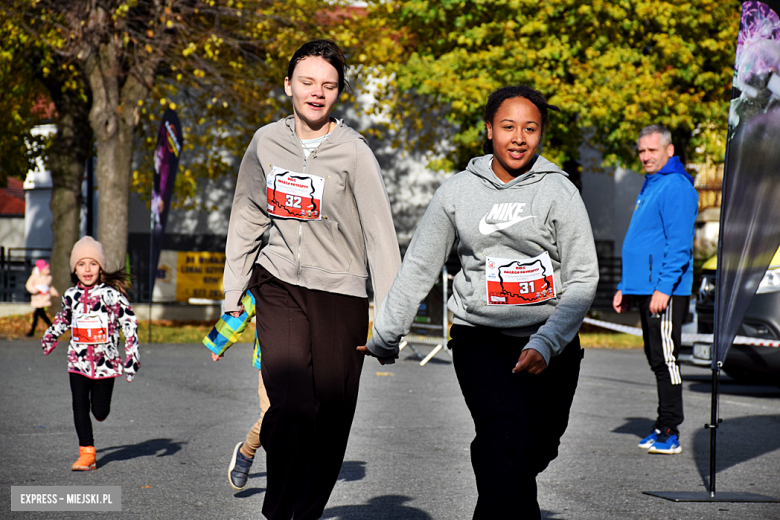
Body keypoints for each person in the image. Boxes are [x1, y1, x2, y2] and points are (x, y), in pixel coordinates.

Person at [361, 85, 599, 519]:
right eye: (508, 127)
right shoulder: (456, 192)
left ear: (541, 134)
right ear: (489, 130)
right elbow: (419, 265)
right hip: (481, 338)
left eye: (530, 128)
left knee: (536, 448)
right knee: (502, 438)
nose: (519, 137)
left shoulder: (559, 191)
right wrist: (387, 333)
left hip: (553, 342)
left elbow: (583, 277)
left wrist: (546, 342)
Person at [220, 39, 401, 519]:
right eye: (307, 82)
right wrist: (233, 288)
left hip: (339, 295)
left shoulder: (355, 153)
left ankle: (306, 510)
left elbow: (382, 238)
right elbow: (247, 216)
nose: (317, 93)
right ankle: (279, 512)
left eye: (328, 85)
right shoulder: (265, 143)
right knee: (292, 402)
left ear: (339, 93)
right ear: (288, 86)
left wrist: (389, 321)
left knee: (332, 417)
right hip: (277, 281)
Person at [612, 124, 698, 455]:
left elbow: (679, 245)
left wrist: (663, 288)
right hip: (645, 287)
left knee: (666, 359)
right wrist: (624, 287)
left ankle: (669, 429)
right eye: (642, 151)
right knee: (655, 357)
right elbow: (644, 242)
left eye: (652, 150)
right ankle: (662, 422)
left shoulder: (675, 186)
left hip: (665, 290)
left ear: (669, 151)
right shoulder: (652, 185)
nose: (646, 157)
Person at [41, 236, 140, 471]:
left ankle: (101, 411)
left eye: (93, 263)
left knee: (99, 410)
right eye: (81, 264)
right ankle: (87, 452)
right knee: (78, 404)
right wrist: (51, 335)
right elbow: (64, 318)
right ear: (74, 269)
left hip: (106, 364)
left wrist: (132, 355)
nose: (87, 269)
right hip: (78, 360)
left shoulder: (111, 296)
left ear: (101, 267)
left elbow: (129, 322)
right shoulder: (70, 295)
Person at [203, 290, 269, 491]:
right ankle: (246, 451)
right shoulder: (272, 270)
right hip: (272, 359)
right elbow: (242, 307)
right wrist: (218, 343)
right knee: (272, 415)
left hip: (311, 361)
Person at [25, 259, 59, 336]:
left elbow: (50, 287)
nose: (48, 271)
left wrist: (54, 292)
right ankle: (50, 327)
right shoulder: (34, 277)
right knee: (41, 314)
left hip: (44, 299)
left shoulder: (48, 278)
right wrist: (35, 290)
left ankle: (32, 331)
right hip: (38, 298)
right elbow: (29, 285)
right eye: (46, 269)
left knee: (37, 314)